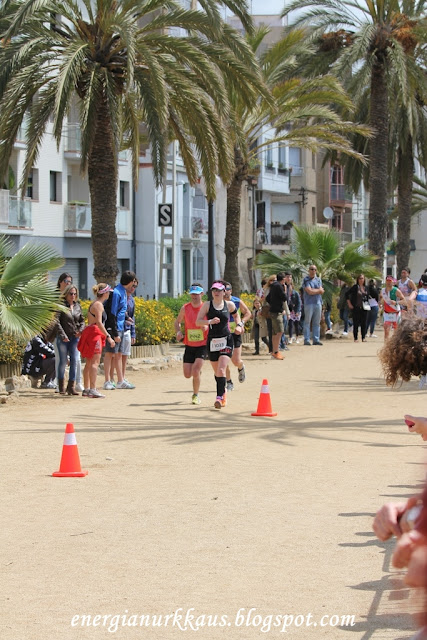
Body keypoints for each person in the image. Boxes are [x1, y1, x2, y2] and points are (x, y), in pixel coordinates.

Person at [196, 281, 241, 409]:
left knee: (221, 369)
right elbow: (198, 321)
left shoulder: (229, 305)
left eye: (219, 290)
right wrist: (209, 321)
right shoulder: (207, 305)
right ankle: (224, 391)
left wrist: (239, 325)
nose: (216, 292)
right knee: (217, 372)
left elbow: (237, 316)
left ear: (224, 292)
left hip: (226, 340)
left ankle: (219, 398)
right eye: (214, 290)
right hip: (212, 341)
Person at [78, 283, 116, 398]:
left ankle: (87, 389)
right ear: (105, 293)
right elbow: (99, 322)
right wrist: (108, 337)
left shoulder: (94, 303)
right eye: (108, 292)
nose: (109, 294)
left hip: (91, 333)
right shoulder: (99, 305)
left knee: (89, 362)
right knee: (95, 362)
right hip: (94, 334)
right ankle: (93, 389)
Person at [174, 283, 208, 405]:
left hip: (203, 345)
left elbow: (213, 322)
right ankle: (197, 373)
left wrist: (206, 327)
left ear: (201, 294)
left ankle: (195, 395)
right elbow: (177, 322)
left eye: (196, 294)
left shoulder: (206, 308)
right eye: (192, 294)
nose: (194, 296)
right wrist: (178, 331)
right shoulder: (185, 308)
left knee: (195, 370)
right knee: (187, 374)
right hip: (189, 345)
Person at [103, 270, 137, 390]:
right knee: (109, 354)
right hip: (115, 328)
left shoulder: (123, 292)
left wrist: (127, 318)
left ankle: (120, 380)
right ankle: (107, 380)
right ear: (130, 281)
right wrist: (115, 332)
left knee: (118, 355)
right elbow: (112, 313)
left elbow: (122, 310)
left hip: (122, 327)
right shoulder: (116, 292)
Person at [52, 273, 84, 392]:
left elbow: (82, 320)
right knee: (62, 361)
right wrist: (63, 335)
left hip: (74, 337)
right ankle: (60, 386)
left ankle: (71, 386)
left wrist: (80, 330)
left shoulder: (77, 306)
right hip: (63, 338)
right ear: (66, 294)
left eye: (75, 294)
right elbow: (56, 321)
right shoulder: (60, 305)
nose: (73, 296)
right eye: (71, 293)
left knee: (75, 360)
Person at [223, 281, 251, 390]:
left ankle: (241, 367)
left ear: (231, 291)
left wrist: (241, 323)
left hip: (235, 333)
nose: (225, 292)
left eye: (227, 289)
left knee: (235, 361)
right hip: (222, 334)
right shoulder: (217, 303)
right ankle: (229, 382)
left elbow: (248, 313)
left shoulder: (237, 301)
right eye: (223, 290)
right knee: (223, 360)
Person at [113, 279, 138, 386]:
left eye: (135, 286)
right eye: (132, 285)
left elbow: (132, 317)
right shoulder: (119, 295)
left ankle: (122, 377)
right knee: (116, 355)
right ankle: (115, 378)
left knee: (125, 355)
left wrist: (133, 333)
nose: (133, 288)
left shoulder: (131, 300)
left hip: (127, 329)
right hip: (119, 329)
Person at [266, 272, 288, 360]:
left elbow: (267, 298)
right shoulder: (279, 286)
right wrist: (285, 290)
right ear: (283, 279)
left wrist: (273, 304)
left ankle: (274, 351)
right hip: (276, 312)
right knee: (279, 332)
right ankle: (275, 352)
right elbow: (284, 298)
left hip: (272, 311)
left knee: (275, 333)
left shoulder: (273, 286)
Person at [302, 265, 324, 346]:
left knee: (316, 322)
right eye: (311, 269)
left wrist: (315, 290)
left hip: (318, 303)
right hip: (309, 303)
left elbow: (322, 291)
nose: (313, 271)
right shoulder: (306, 280)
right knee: (307, 322)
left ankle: (316, 339)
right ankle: (307, 339)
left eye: (315, 269)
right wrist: (318, 291)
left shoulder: (318, 280)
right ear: (309, 270)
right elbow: (309, 291)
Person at [346, 274, 369, 342]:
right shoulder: (355, 287)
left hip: (365, 307)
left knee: (364, 323)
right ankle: (355, 338)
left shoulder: (366, 287)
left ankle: (363, 337)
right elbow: (346, 294)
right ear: (357, 280)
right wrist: (349, 304)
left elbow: (371, 295)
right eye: (360, 278)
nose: (361, 280)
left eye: (362, 278)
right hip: (356, 307)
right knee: (356, 323)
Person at [380, 275, 405, 340]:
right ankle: (386, 345)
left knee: (396, 333)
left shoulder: (396, 290)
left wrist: (396, 302)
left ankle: (395, 345)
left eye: (390, 281)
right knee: (386, 332)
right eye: (387, 281)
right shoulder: (383, 291)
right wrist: (381, 303)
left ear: (393, 282)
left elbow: (404, 300)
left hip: (396, 313)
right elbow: (381, 299)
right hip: (387, 313)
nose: (388, 282)